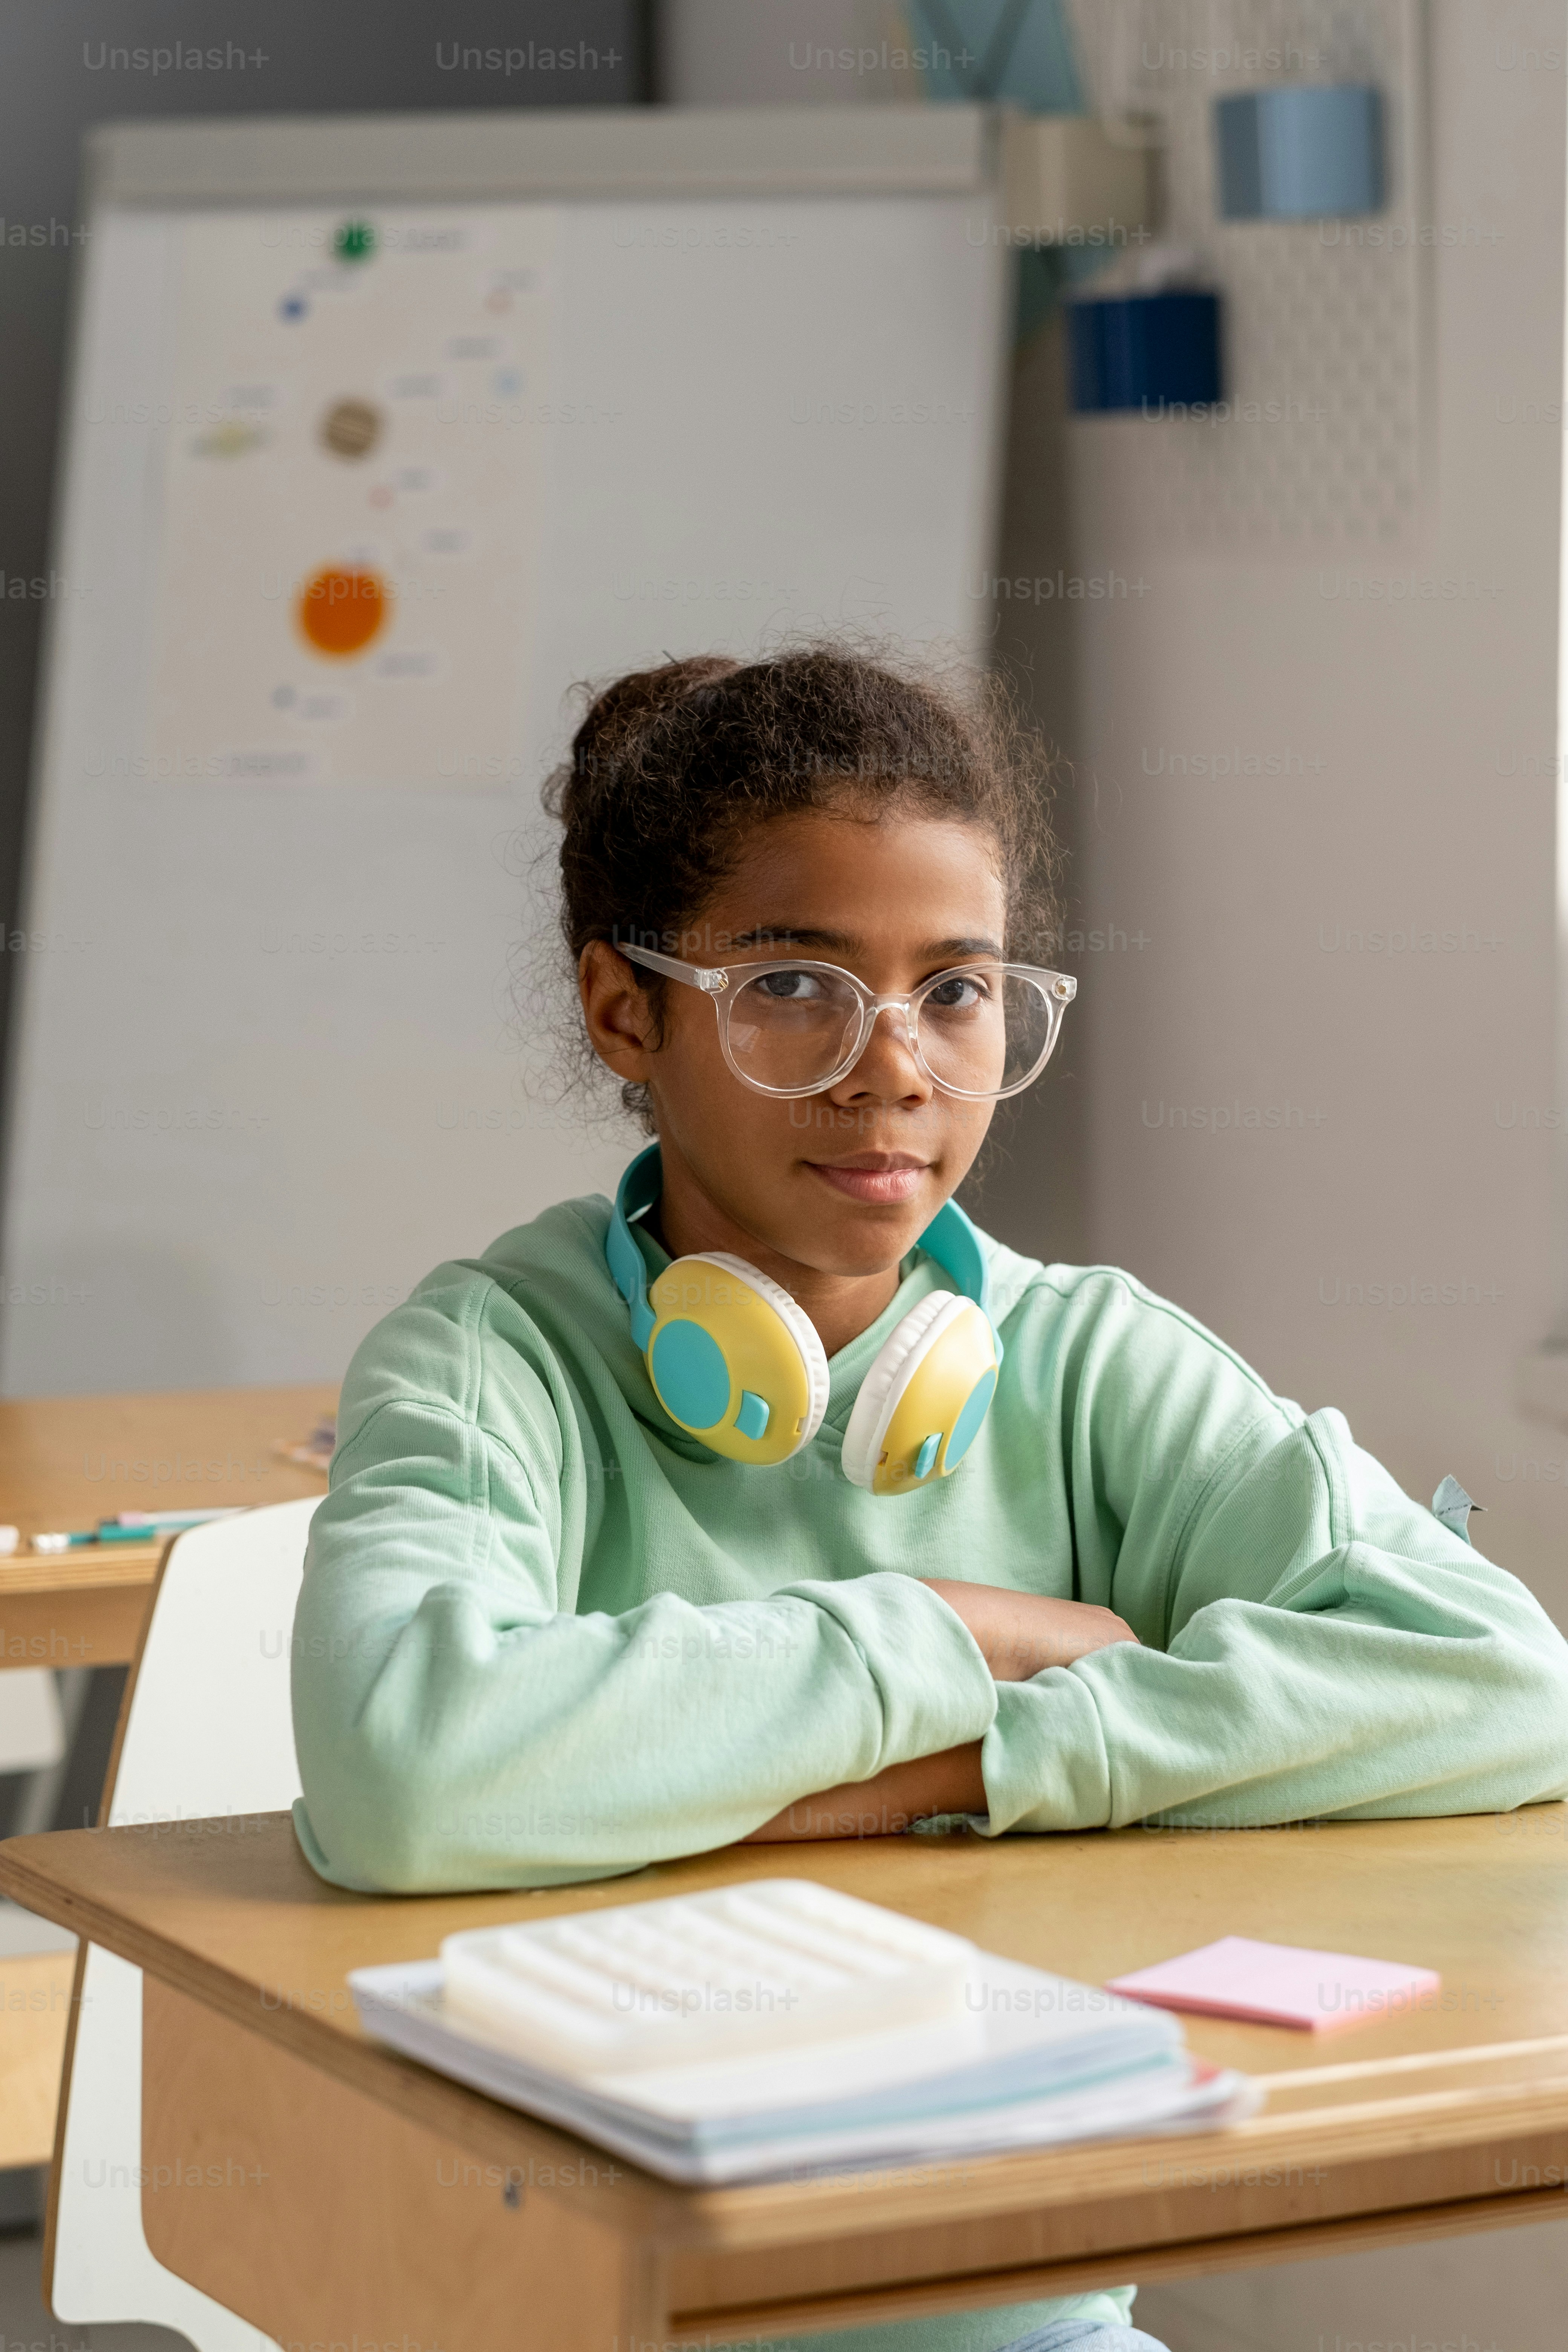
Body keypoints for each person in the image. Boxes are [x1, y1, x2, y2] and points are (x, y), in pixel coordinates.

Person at [291, 646, 1568, 2352]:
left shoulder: (1090, 1359)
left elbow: (1496, 1682)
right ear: (624, 1010)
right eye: (795, 987)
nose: (893, 1068)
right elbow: (408, 1770)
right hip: (572, 2317)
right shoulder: (487, 1359)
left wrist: (963, 1768)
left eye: (955, 992)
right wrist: (957, 1630)